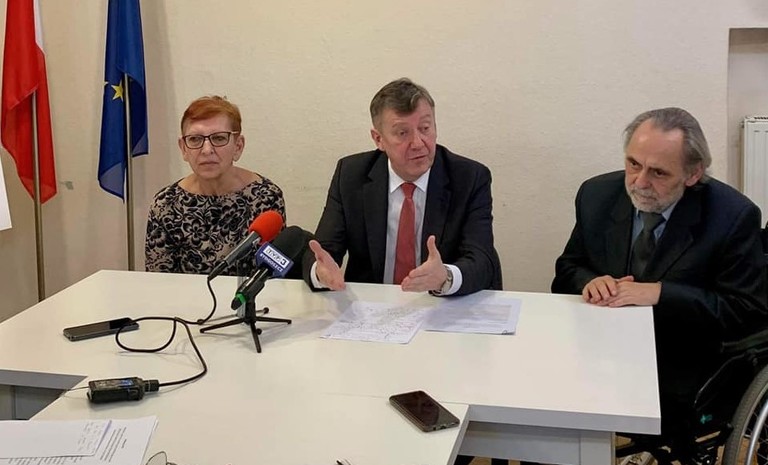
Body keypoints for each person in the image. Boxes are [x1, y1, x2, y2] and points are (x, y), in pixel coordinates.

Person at [551, 107, 768, 442]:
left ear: (693, 174)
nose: (639, 182)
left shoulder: (732, 216)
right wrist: (590, 282)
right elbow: (567, 269)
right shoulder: (596, 195)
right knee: (542, 405)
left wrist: (659, 293)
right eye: (633, 164)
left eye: (659, 173)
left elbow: (746, 311)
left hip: (680, 360)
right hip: (601, 348)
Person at [303, 78, 502, 296]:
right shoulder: (351, 176)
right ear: (378, 139)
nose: (418, 143)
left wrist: (445, 276)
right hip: (372, 308)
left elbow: (482, 260)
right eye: (402, 133)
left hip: (442, 305)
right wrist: (320, 272)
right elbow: (323, 251)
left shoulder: (469, 178)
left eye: (425, 128)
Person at [145, 95, 286, 276]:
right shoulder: (166, 204)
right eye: (195, 139)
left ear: (238, 146)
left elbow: (274, 274)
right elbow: (158, 281)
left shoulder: (266, 197)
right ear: (183, 148)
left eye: (219, 138)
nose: (206, 150)